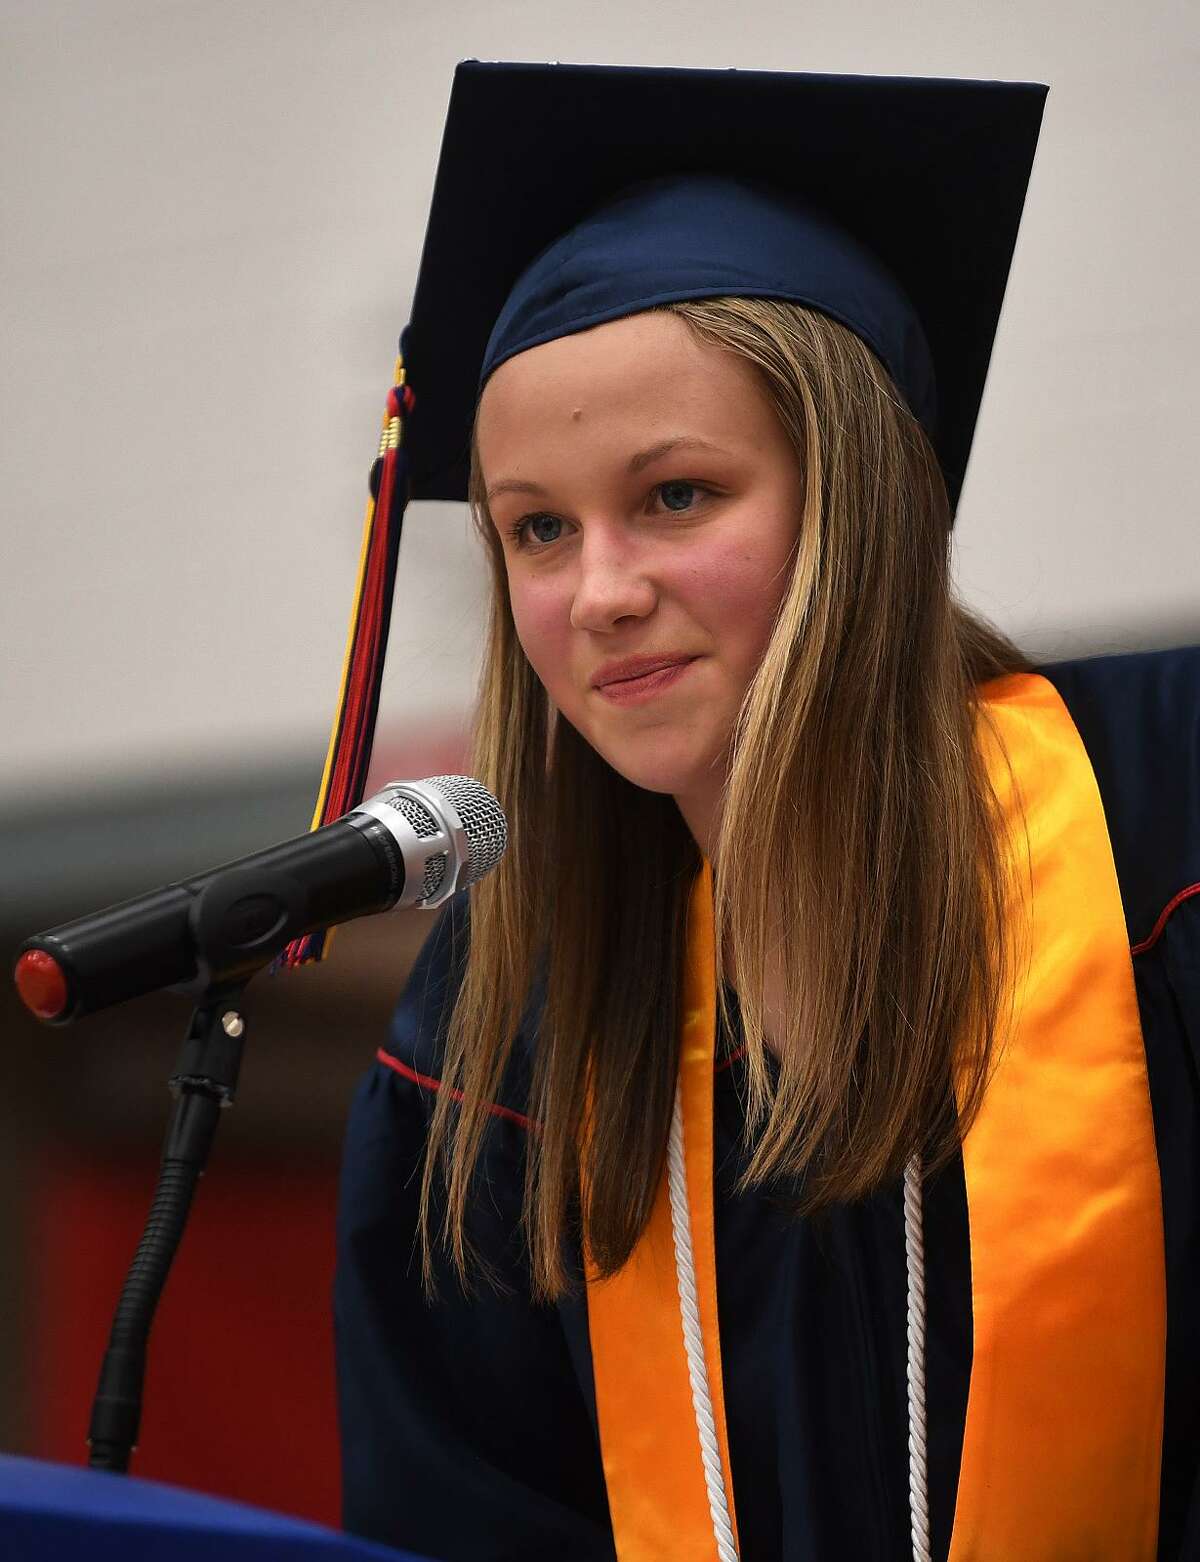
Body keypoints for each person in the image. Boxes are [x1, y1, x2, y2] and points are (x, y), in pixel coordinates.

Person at [328, 63, 1200, 1561]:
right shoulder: (504, 1031)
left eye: (676, 495)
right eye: (539, 528)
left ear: (856, 495)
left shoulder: (1165, 823)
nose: (600, 593)